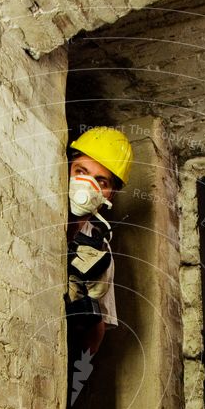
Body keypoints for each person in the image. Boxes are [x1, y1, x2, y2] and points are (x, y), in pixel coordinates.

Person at [66, 127, 133, 358]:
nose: (87, 185)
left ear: (109, 194)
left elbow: (93, 341)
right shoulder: (39, 213)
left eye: (100, 181)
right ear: (67, 170)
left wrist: (87, 306)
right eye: (81, 171)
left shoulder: (100, 249)